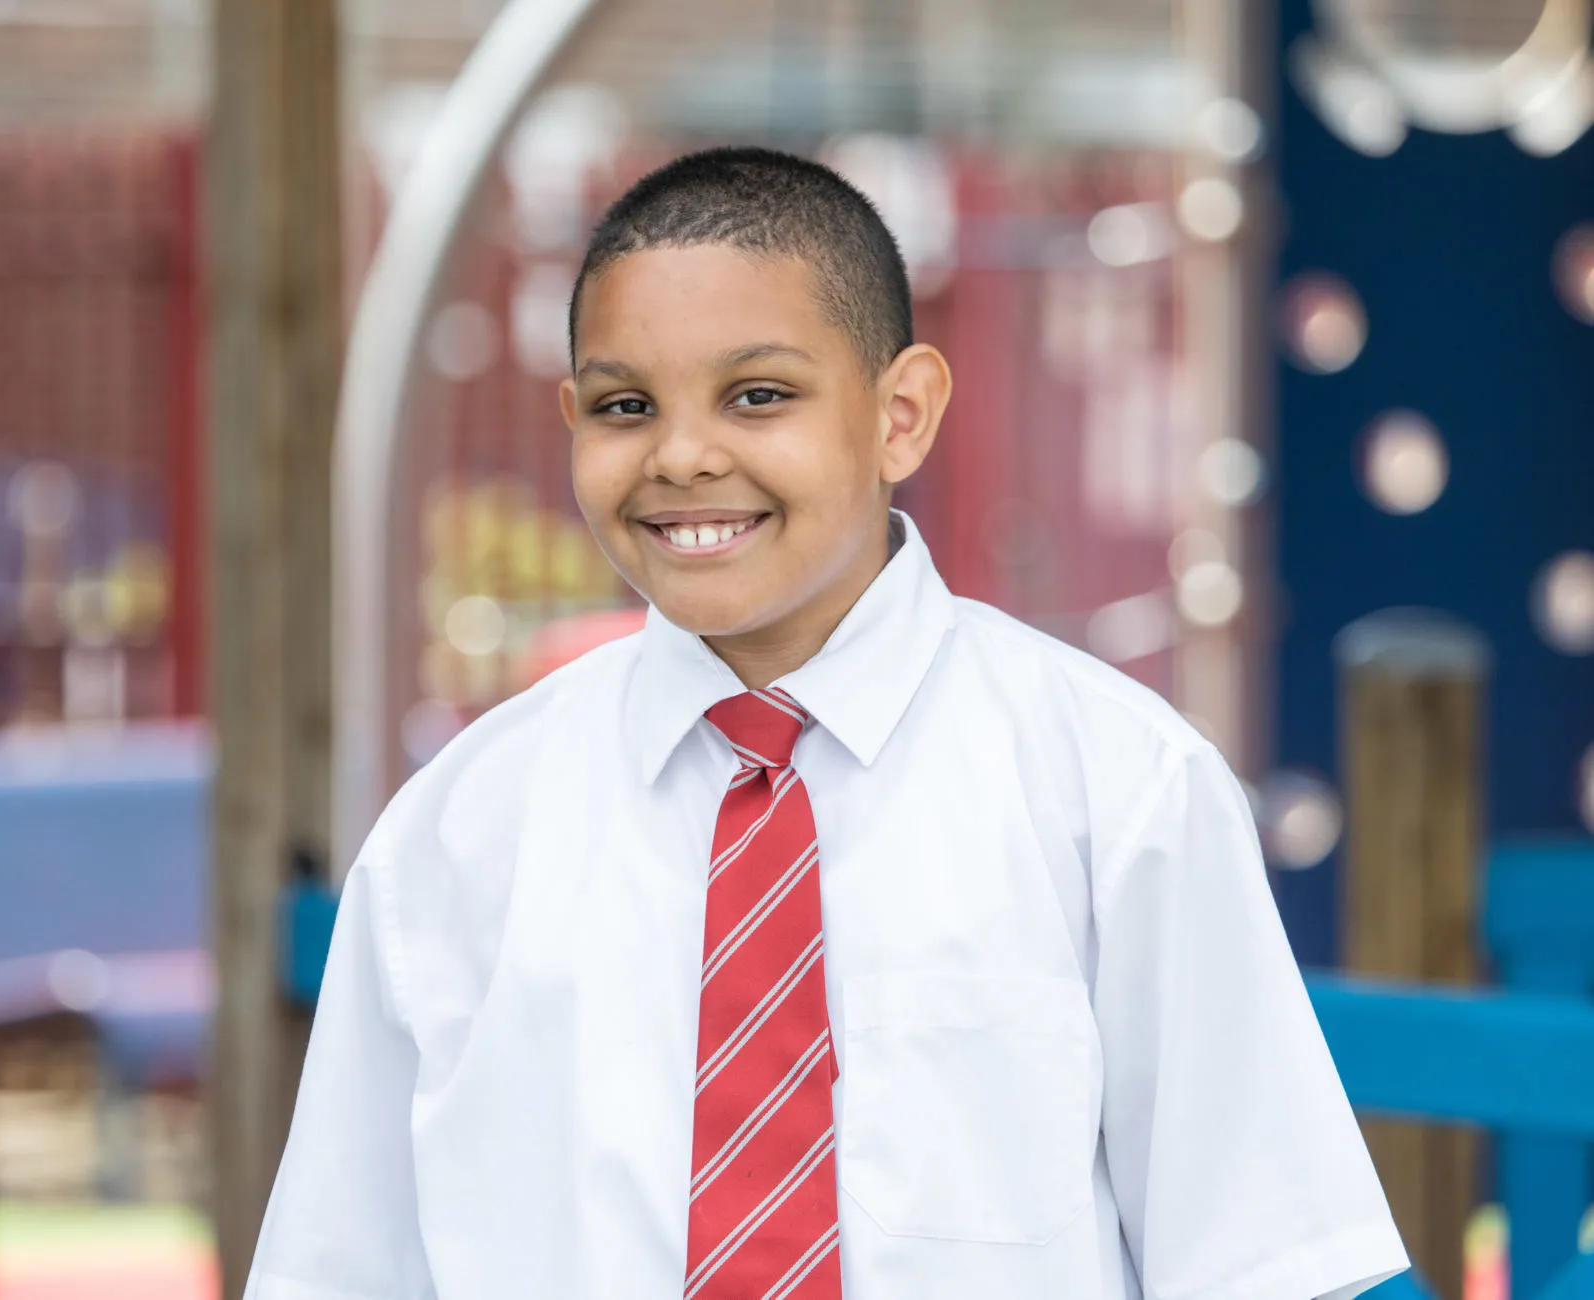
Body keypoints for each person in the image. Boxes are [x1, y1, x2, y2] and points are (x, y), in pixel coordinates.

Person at [244, 147, 1408, 1299]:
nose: (684, 454)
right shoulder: (456, 835)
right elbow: (339, 1265)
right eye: (624, 406)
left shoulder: (1119, 789)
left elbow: (1274, 1259)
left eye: (759, 394)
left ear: (901, 414)